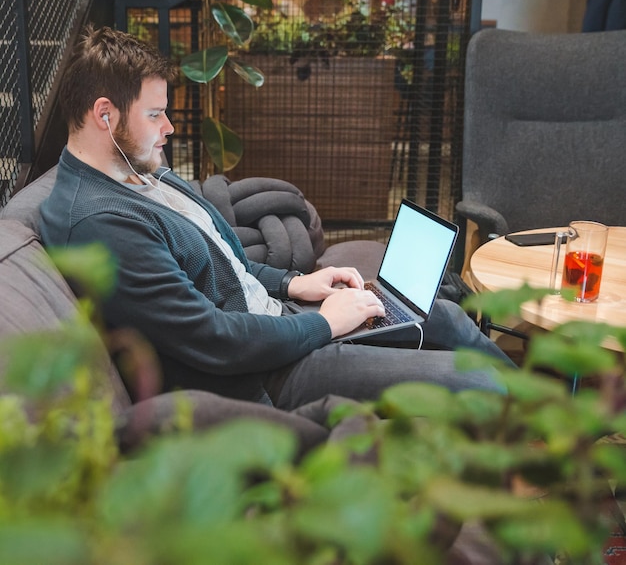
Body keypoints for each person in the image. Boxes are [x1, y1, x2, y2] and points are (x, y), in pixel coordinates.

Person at [40, 25, 514, 413]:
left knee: (444, 314)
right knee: (474, 381)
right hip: (266, 373)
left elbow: (223, 261)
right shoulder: (99, 223)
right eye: (156, 114)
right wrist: (326, 325)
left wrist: (294, 284)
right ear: (105, 115)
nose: (169, 127)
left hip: (282, 324)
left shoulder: (138, 172)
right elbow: (213, 339)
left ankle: (544, 407)